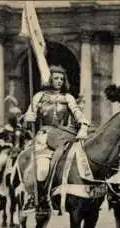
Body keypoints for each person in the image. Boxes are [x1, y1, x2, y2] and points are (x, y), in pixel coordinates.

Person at [23, 65, 90, 209]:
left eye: (61, 78)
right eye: (56, 78)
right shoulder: (39, 96)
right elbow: (29, 115)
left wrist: (84, 125)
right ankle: (39, 198)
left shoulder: (68, 97)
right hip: (44, 138)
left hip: (64, 137)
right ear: (49, 80)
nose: (59, 81)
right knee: (41, 170)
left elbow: (77, 113)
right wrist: (29, 117)